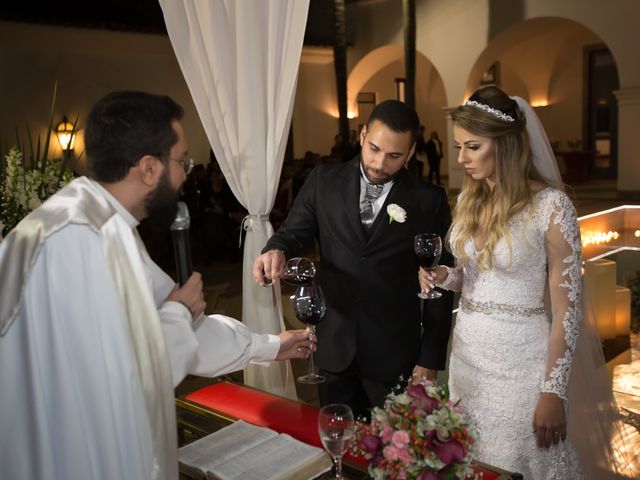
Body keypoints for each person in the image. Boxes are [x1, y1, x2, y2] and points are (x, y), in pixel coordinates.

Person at [0, 91, 315, 480]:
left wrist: (270, 345)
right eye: (182, 161)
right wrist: (179, 313)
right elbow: (123, 374)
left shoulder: (101, 224)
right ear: (149, 169)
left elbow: (184, 331)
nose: (186, 173)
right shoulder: (77, 241)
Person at [419, 86, 632, 478]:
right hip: (467, 359)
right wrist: (445, 276)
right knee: (470, 461)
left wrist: (553, 391)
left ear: (505, 145)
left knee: (517, 463)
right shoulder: (472, 199)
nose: (461, 158)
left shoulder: (552, 207)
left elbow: (568, 314)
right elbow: (475, 276)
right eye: (458, 146)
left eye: (472, 146)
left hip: (521, 366)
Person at [253, 100, 454, 419]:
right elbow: (292, 233)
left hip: (394, 354)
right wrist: (276, 248)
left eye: (394, 156)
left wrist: (429, 358)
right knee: (338, 449)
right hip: (333, 348)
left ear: (412, 151)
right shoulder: (324, 180)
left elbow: (441, 282)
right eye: (374, 148)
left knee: (395, 458)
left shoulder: (428, 200)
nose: (379, 163)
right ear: (362, 136)